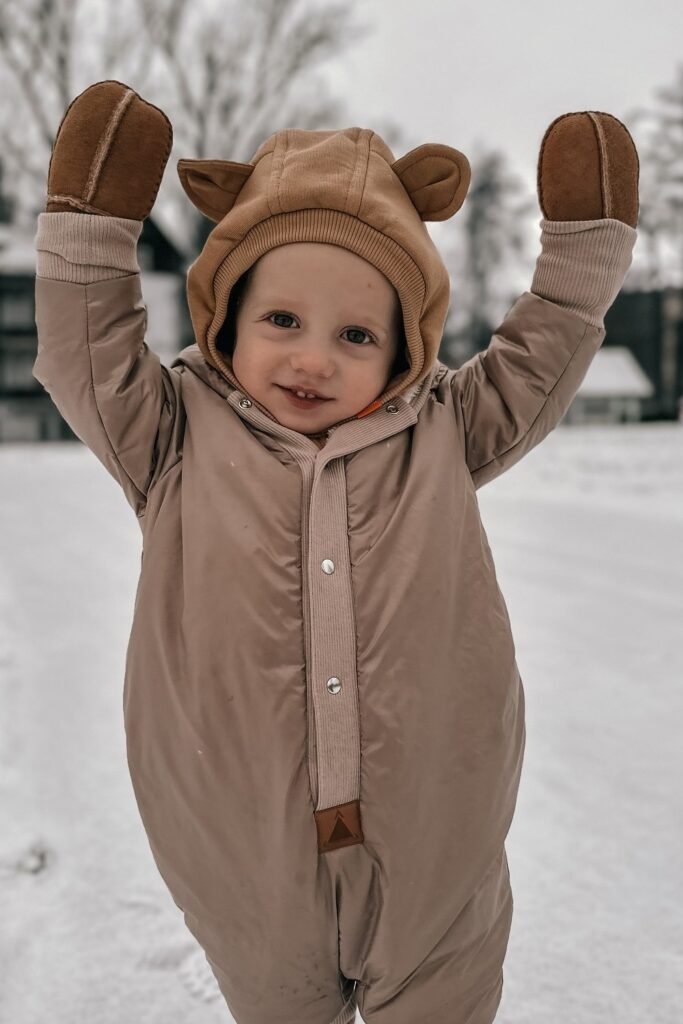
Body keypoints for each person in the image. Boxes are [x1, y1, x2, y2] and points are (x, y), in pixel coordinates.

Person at [32, 81, 638, 1024]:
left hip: (437, 833)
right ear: (226, 317)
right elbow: (86, 353)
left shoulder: (442, 426)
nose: (313, 359)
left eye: (356, 334)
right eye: (281, 321)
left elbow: (536, 358)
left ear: (405, 351)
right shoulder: (170, 434)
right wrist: (91, 231)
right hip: (243, 847)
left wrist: (582, 256)